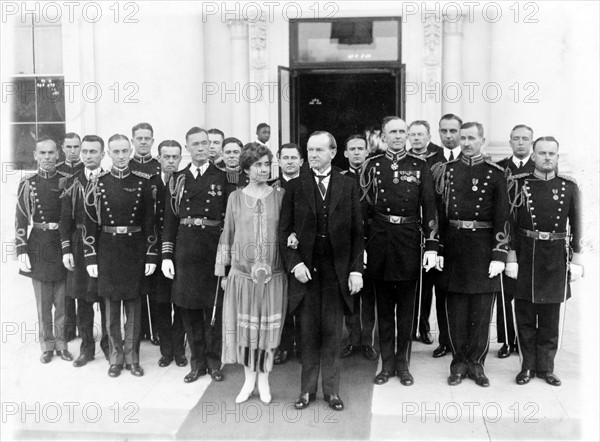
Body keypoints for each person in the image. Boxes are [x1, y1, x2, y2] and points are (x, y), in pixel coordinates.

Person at [279, 131, 364, 412]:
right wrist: (295, 264)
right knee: (308, 333)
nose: (313, 155)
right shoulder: (295, 186)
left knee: (333, 333)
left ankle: (332, 391)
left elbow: (357, 233)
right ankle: (306, 391)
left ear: (333, 152)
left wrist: (356, 271)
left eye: (319, 150)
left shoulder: (348, 184)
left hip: (337, 272)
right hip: (307, 272)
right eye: (310, 150)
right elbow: (284, 233)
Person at [361, 118, 439, 387]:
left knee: (407, 309)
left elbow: (429, 207)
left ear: (407, 135)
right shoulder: (372, 165)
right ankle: (386, 363)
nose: (397, 136)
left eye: (401, 132)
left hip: (408, 240)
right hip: (380, 240)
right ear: (383, 135)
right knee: (384, 309)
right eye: (392, 132)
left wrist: (431, 245)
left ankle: (403, 364)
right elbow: (363, 211)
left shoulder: (420, 166)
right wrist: (362, 247)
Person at [432, 122, 509, 388]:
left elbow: (503, 216)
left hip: (482, 247)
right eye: (462, 138)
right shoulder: (445, 172)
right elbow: (439, 215)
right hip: (454, 246)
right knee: (456, 310)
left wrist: (499, 254)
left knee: (480, 310)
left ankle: (476, 364)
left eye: (471, 138)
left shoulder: (496, 174)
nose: (465, 143)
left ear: (482, 140)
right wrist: (437, 247)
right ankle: (458, 363)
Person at [505, 136, 583, 386]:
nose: (547, 158)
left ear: (557, 157)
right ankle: (527, 366)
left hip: (555, 257)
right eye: (542, 153)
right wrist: (511, 257)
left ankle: (546, 367)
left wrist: (578, 258)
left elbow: (578, 224)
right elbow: (510, 224)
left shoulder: (569, 186)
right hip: (527, 254)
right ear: (534, 156)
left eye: (552, 154)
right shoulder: (518, 185)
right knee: (525, 314)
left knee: (550, 316)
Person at [217, 142, 288, 404]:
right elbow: (227, 235)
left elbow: (288, 232)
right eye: (257, 165)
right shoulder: (235, 198)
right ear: (246, 168)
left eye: (267, 164)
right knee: (247, 331)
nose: (263, 169)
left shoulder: (280, 196)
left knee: (267, 332)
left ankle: (264, 381)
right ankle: (249, 381)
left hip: (273, 278)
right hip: (242, 278)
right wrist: (223, 271)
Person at [83, 134, 158, 378]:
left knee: (134, 308)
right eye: (116, 152)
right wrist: (91, 257)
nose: (122, 156)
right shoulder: (97, 183)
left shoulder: (143, 183)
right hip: (108, 250)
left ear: (131, 150)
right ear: (108, 154)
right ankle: (115, 358)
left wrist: (150, 255)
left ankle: (132, 357)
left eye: (126, 150)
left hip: (134, 250)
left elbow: (150, 224)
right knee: (112, 309)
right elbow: (89, 224)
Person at [161, 127, 231, 384]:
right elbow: (169, 221)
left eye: (205, 144)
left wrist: (226, 259)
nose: (202, 148)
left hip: (212, 249)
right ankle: (197, 363)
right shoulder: (176, 179)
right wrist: (167, 256)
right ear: (187, 147)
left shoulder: (223, 177)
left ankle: (214, 362)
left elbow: (228, 223)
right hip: (185, 250)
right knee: (188, 310)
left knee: (212, 310)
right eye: (196, 144)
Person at [15, 136, 71, 363]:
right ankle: (46, 345)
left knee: (62, 299)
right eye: (43, 153)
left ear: (58, 154)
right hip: (38, 243)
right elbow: (20, 219)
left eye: (51, 153)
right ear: (35, 156)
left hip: (62, 242)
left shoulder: (68, 181)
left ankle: (62, 343)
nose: (47, 157)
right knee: (43, 301)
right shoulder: (27, 183)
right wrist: (21, 250)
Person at [59, 135, 109, 366]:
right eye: (85, 151)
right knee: (83, 299)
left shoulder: (110, 180)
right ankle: (87, 348)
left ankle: (109, 346)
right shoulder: (72, 183)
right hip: (79, 245)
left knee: (108, 298)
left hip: (107, 243)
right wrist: (66, 249)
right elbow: (64, 221)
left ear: (102, 154)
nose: (88, 156)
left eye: (93, 151)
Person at [495, 124, 536, 359]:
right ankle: (507, 341)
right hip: (506, 235)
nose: (521, 143)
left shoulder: (538, 168)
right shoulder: (500, 168)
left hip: (530, 238)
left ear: (531, 142)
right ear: (510, 141)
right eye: (516, 139)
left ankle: (527, 341)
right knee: (505, 293)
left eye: (525, 139)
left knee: (527, 293)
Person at [339, 135, 378, 362]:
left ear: (367, 152)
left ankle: (367, 341)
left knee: (369, 296)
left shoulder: (375, 178)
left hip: (372, 241)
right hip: (348, 244)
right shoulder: (340, 179)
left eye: (360, 149)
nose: (356, 153)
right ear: (345, 154)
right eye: (351, 149)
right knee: (350, 294)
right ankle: (353, 339)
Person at [149, 140, 187, 369]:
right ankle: (166, 351)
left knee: (180, 304)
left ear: (181, 158)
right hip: (157, 253)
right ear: (159, 158)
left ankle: (180, 350)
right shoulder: (150, 183)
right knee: (161, 304)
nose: (171, 161)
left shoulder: (186, 181)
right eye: (167, 157)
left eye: (175, 157)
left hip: (180, 251)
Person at [429, 113, 464, 359]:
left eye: (453, 131)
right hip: (441, 238)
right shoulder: (431, 162)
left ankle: (464, 343)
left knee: (464, 292)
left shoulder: (471, 159)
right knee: (441, 292)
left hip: (467, 240)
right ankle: (445, 340)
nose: (448, 135)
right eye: (444, 131)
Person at [407, 120, 444, 346]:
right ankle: (411, 326)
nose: (416, 138)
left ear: (429, 135)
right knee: (413, 281)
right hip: (411, 228)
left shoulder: (438, 157)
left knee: (428, 281)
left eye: (421, 134)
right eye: (413, 135)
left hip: (432, 224)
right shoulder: (405, 158)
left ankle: (424, 326)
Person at [270, 143, 304, 365]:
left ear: (302, 161)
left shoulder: (309, 184)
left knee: (302, 300)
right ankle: (283, 345)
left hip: (305, 251)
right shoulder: (270, 188)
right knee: (281, 301)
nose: (290, 161)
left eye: (294, 158)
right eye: (285, 158)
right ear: (279, 161)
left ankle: (303, 346)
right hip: (277, 249)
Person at [129, 122, 161, 346]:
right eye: (138, 138)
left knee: (156, 283)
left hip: (157, 231)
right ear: (133, 141)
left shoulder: (159, 168)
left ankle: (158, 329)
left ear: (152, 141)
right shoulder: (126, 167)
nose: (142, 141)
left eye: (146, 138)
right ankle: (138, 329)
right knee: (136, 283)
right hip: (135, 233)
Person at [56, 132, 83, 342]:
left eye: (76, 147)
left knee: (79, 283)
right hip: (58, 232)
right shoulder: (57, 172)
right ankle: (67, 328)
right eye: (69, 147)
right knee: (64, 285)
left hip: (78, 232)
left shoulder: (86, 171)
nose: (73, 151)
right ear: (62, 148)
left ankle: (84, 328)